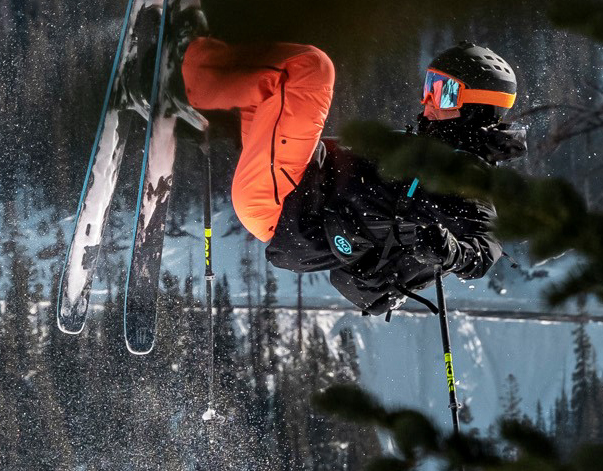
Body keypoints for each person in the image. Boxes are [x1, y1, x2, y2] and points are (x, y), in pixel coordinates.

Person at [180, 34, 522, 314]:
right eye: (430, 85)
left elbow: (485, 248)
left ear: (476, 108)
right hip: (291, 184)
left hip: (286, 202)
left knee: (310, 69)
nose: (428, 101)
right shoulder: (428, 151)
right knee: (263, 86)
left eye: (444, 93)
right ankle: (190, 85)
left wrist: (448, 251)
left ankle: (177, 70)